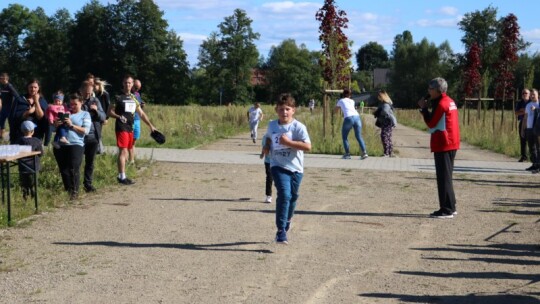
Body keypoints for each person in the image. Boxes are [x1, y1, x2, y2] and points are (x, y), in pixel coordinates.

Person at [262, 93, 311, 244]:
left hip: (296, 168)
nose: (284, 112)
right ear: (276, 110)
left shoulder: (299, 127)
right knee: (284, 195)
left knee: (293, 196)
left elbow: (308, 146)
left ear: (293, 110)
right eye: (281, 109)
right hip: (277, 165)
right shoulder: (272, 125)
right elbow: (269, 137)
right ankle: (281, 231)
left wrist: (289, 142)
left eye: (287, 109)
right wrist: (266, 146)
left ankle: (288, 219)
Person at [418, 77, 460, 219]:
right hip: (451, 142)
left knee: (443, 177)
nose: (428, 91)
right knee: (447, 176)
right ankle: (451, 206)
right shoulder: (449, 101)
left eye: (430, 89)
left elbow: (431, 123)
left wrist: (424, 109)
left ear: (437, 90)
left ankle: (447, 209)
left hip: (443, 143)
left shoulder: (441, 104)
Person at [108, 75, 157, 185]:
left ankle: (123, 175)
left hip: (131, 127)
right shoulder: (117, 97)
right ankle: (122, 177)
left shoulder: (133, 98)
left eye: (130, 83)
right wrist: (118, 116)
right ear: (123, 83)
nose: (128, 85)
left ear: (132, 84)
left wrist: (150, 125)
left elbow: (141, 113)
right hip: (121, 127)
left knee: (128, 150)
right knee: (123, 151)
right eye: (126, 82)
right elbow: (109, 112)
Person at [53, 93, 91, 200]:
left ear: (81, 103)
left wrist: (71, 125)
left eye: (75, 104)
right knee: (63, 169)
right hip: (61, 144)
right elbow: (54, 129)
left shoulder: (85, 114)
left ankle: (75, 191)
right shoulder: (66, 112)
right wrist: (56, 124)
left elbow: (86, 131)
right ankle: (68, 191)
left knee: (73, 167)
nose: (73, 106)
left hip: (76, 144)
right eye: (71, 104)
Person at [80, 81, 107, 192]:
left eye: (90, 91)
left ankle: (88, 184)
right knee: (77, 162)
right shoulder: (77, 101)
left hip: (93, 135)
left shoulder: (96, 101)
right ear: (81, 91)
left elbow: (103, 116)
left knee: (90, 162)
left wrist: (96, 111)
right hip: (79, 135)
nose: (88, 93)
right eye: (86, 91)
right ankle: (74, 185)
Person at [11, 79, 49, 145]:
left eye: (35, 87)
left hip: (36, 135)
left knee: (34, 153)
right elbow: (14, 116)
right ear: (27, 88)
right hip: (20, 134)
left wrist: (36, 101)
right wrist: (29, 112)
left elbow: (41, 117)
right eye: (31, 87)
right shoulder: (20, 99)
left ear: (38, 88)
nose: (33, 89)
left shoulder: (42, 100)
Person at [334, 88, 368, 159]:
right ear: (350, 94)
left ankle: (347, 154)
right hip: (357, 117)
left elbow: (336, 110)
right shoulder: (352, 101)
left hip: (348, 118)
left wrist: (335, 112)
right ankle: (364, 153)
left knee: (344, 137)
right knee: (358, 136)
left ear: (343, 94)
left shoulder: (340, 100)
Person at [16, 121, 43, 200]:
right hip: (34, 166)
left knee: (24, 182)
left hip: (23, 166)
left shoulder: (19, 141)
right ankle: (34, 195)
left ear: (22, 131)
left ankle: (25, 195)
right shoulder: (37, 141)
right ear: (33, 131)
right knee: (33, 181)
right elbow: (41, 153)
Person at [373, 90, 397, 157]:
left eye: (379, 96)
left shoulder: (385, 104)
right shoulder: (387, 103)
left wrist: (378, 112)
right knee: (388, 137)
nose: (378, 97)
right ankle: (390, 152)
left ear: (382, 97)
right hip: (388, 122)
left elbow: (385, 112)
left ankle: (386, 152)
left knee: (384, 136)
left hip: (387, 122)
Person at [521, 89, 539, 172]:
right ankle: (534, 164)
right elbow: (525, 118)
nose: (532, 96)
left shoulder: (539, 104)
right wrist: (523, 129)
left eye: (533, 94)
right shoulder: (528, 105)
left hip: (537, 129)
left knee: (537, 147)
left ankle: (538, 164)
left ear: (538, 95)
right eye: (531, 94)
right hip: (529, 128)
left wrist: (536, 109)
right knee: (531, 147)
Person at [0, 73, 20, 141]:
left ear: (5, 79)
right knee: (1, 122)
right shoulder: (2, 86)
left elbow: (17, 96)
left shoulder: (10, 86)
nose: (0, 79)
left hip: (10, 108)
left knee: (11, 123)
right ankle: (1, 137)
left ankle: (12, 137)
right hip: (3, 108)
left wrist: (16, 106)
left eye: (1, 78)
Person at [129, 79, 145, 165]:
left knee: (134, 140)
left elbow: (139, 105)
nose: (137, 89)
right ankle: (131, 160)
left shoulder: (137, 94)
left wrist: (142, 105)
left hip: (137, 119)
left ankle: (131, 158)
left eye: (138, 88)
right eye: (136, 87)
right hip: (131, 119)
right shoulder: (129, 95)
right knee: (130, 140)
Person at [515, 89, 530, 162]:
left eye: (526, 93)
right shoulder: (520, 102)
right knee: (522, 139)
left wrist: (523, 111)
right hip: (522, 121)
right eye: (523, 93)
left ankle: (533, 156)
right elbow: (516, 113)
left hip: (530, 122)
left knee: (531, 140)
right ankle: (524, 156)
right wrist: (524, 111)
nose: (524, 94)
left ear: (529, 94)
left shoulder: (531, 102)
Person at [259, 133, 273, 203]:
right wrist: (262, 154)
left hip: (278, 161)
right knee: (269, 178)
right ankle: (268, 195)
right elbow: (264, 146)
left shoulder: (279, 134)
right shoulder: (265, 136)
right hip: (268, 161)